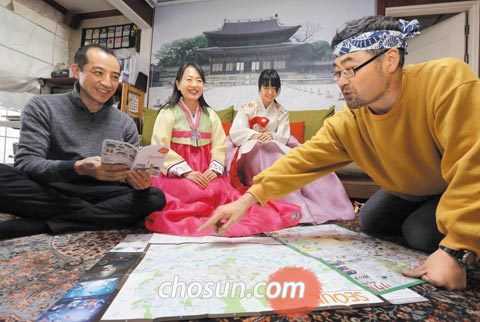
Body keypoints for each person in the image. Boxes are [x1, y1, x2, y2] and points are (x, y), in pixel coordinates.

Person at [199, 16, 480, 290]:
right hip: (412, 187)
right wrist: (248, 199)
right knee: (371, 219)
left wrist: (457, 250)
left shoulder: (446, 81)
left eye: (350, 69)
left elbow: (473, 162)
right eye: (337, 71)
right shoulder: (350, 121)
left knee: (419, 232)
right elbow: (301, 161)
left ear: (390, 60)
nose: (342, 81)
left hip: (452, 182)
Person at [0, 44, 165, 239]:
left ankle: (42, 224)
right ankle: (100, 216)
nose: (107, 83)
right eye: (98, 73)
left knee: (155, 197)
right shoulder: (41, 106)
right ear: (76, 71)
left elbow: (129, 177)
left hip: (101, 192)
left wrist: (136, 180)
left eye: (114, 76)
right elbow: (27, 163)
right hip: (52, 188)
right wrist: (77, 167)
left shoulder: (125, 123)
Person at [144, 62, 301, 236]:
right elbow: (160, 146)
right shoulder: (168, 113)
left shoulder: (210, 114)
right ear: (178, 83)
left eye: (199, 80)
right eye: (189, 80)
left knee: (216, 191)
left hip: (206, 169)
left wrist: (213, 169)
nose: (194, 85)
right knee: (190, 191)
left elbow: (219, 145)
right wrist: (187, 172)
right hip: (177, 171)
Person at [227, 69, 353, 223]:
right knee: (260, 151)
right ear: (259, 88)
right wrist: (254, 135)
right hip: (250, 148)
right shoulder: (247, 107)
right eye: (266, 88)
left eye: (274, 88)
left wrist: (271, 136)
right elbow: (236, 131)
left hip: (273, 146)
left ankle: (295, 203)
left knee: (280, 157)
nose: (270, 92)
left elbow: (284, 136)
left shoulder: (282, 111)